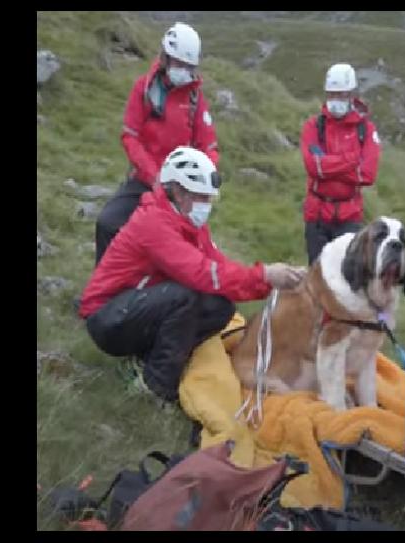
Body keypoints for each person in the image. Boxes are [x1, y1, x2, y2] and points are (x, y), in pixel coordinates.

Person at [79, 147, 305, 403]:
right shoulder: (154, 223)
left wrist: (268, 281)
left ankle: (151, 360)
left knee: (219, 307)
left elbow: (218, 266)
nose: (206, 205)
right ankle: (156, 389)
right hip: (107, 317)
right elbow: (202, 273)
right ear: (178, 191)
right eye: (202, 197)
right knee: (184, 296)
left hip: (134, 309)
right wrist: (264, 275)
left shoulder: (187, 223)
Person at [95, 22, 220, 264]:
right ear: (165, 58)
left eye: (189, 66)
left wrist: (197, 183)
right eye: (179, 64)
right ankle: (103, 292)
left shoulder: (195, 98)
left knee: (180, 249)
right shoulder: (143, 89)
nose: (183, 71)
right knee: (108, 223)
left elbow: (209, 149)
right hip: (144, 181)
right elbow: (130, 137)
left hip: (181, 192)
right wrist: (154, 176)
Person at [300, 63, 381, 264]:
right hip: (317, 216)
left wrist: (327, 166)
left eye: (341, 95)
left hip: (350, 217)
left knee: (348, 277)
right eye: (331, 95)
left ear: (352, 94)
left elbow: (368, 174)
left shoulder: (366, 130)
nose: (335, 100)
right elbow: (313, 167)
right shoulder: (313, 127)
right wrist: (352, 160)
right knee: (317, 278)